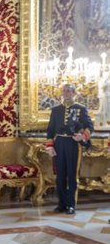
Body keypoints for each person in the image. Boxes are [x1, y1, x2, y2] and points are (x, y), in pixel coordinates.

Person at [45, 83, 93, 215]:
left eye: (69, 91)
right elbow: (50, 130)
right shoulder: (56, 110)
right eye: (64, 91)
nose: (66, 93)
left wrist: (82, 136)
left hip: (73, 144)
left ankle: (71, 205)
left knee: (72, 175)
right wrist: (50, 146)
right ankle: (61, 204)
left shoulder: (81, 109)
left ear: (74, 93)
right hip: (59, 143)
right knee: (60, 175)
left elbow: (90, 126)